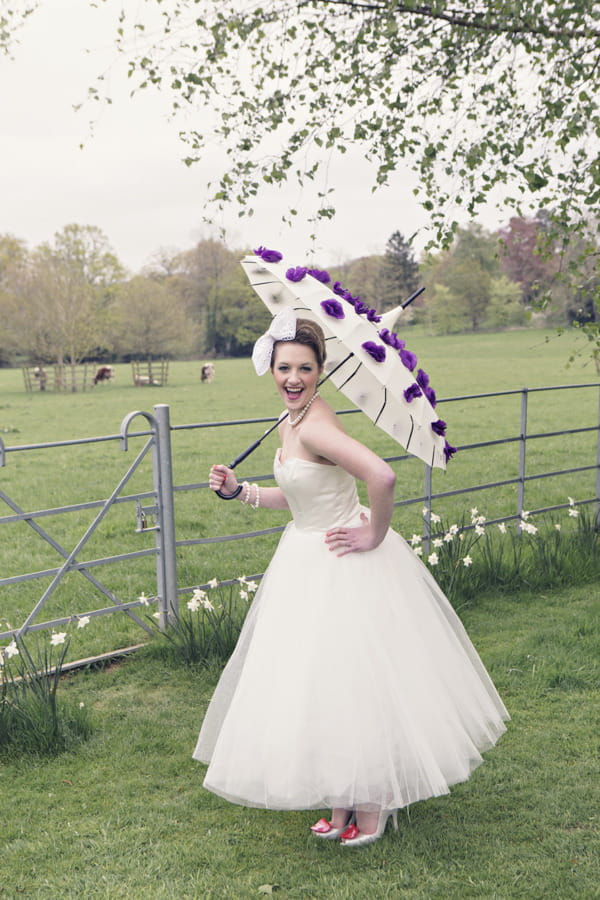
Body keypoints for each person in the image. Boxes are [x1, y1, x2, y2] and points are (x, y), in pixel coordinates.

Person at [193, 312, 509, 847]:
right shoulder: (291, 420)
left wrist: (375, 535)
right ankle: (341, 799)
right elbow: (299, 497)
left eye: (304, 368)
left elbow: (380, 475)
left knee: (352, 679)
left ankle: (373, 801)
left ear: (321, 371)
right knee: (324, 682)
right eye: (284, 367)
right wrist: (238, 491)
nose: (292, 377)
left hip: (341, 560)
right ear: (271, 368)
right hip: (304, 556)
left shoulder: (315, 422)